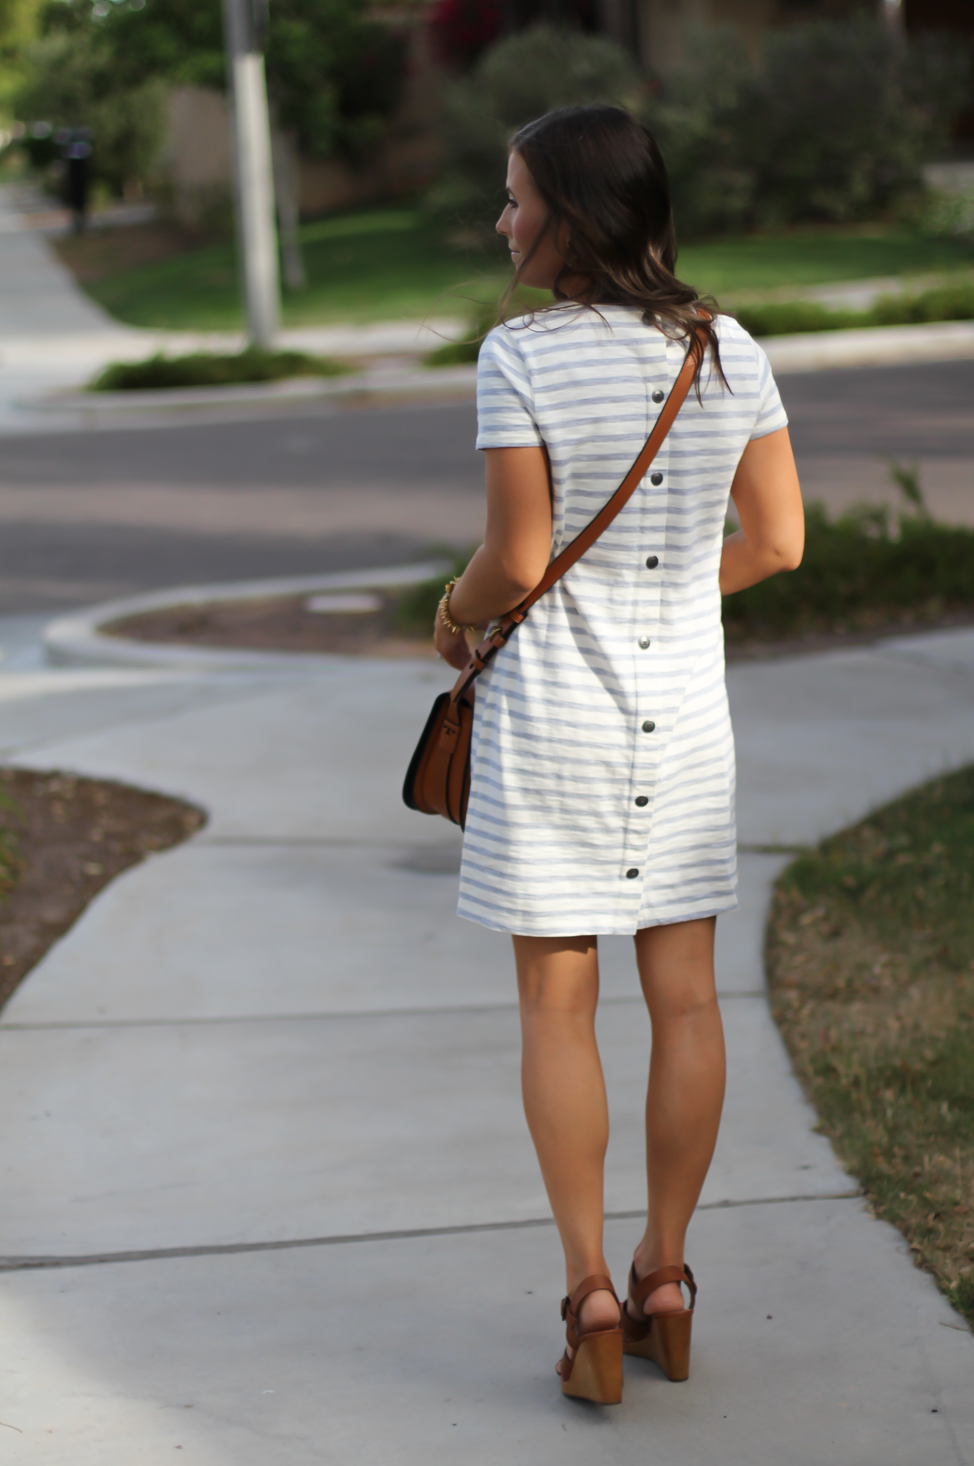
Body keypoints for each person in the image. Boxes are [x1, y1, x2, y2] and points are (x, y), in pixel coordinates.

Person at [433, 104, 804, 1406]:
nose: (501, 220)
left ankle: (590, 1288)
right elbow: (776, 543)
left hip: (552, 723)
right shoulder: (727, 347)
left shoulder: (519, 356)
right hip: (684, 719)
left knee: (557, 1003)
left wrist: (458, 603)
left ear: (572, 216)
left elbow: (518, 559)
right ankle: (664, 1274)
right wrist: (661, 607)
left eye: (514, 195)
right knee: (688, 998)